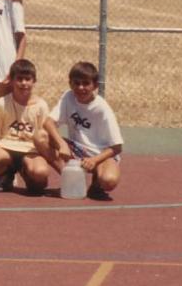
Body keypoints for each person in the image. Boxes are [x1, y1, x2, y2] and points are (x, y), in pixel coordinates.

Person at [41, 61, 123, 200]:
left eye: (86, 83)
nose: (80, 87)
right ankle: (72, 178)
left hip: (101, 155)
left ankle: (97, 184)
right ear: (70, 84)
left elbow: (117, 147)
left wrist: (94, 160)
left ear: (95, 86)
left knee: (109, 180)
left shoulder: (102, 108)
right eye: (76, 83)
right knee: (40, 136)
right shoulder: (68, 97)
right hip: (77, 149)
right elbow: (48, 122)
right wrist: (61, 144)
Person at [0, 58, 63, 194]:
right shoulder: (1, 103)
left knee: (40, 174)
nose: (23, 83)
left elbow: (44, 138)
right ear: (12, 81)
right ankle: (4, 172)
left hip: (30, 150)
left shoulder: (41, 106)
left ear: (34, 81)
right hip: (6, 148)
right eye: (19, 79)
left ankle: (26, 173)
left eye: (27, 79)